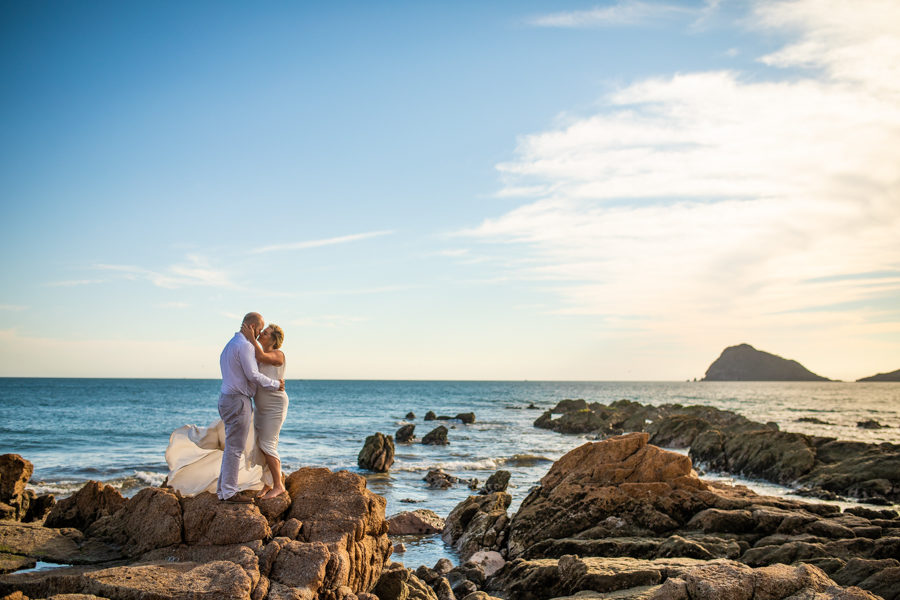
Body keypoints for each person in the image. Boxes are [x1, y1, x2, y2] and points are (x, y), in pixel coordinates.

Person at [216, 313, 285, 503]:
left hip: (228, 399)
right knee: (235, 448)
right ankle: (229, 492)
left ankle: (223, 491)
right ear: (252, 326)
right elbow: (253, 375)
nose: (260, 333)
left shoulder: (230, 345)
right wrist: (274, 384)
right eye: (260, 329)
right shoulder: (245, 346)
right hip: (238, 401)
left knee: (234, 446)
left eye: (265, 331)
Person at [241, 322, 289, 499]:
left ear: (274, 340)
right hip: (261, 406)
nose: (261, 334)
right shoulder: (256, 353)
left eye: (266, 333)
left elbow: (261, 357)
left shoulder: (278, 354)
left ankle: (278, 486)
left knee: (268, 444)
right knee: (260, 444)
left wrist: (251, 337)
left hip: (275, 405)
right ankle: (267, 483)